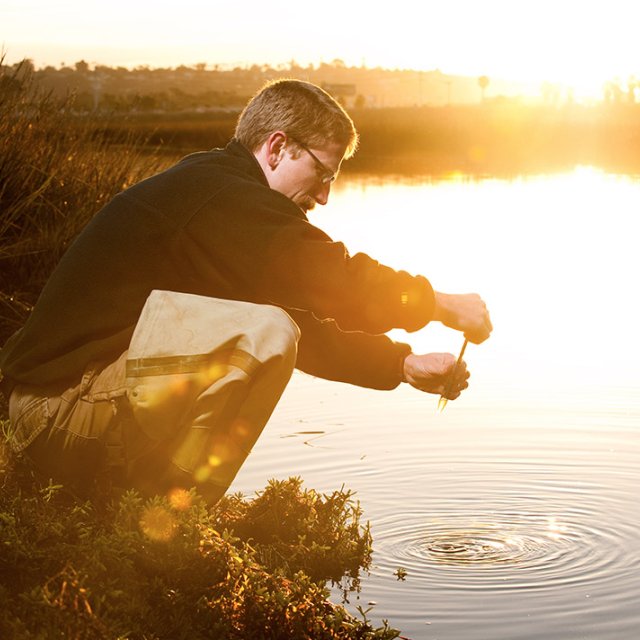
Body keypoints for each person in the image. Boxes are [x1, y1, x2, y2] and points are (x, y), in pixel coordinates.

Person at [0, 79, 492, 504]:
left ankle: (158, 509)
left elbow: (300, 325)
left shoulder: (217, 191)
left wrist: (399, 364)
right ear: (278, 148)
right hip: (53, 412)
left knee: (270, 327)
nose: (324, 196)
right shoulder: (223, 197)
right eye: (322, 173)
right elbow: (335, 281)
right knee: (267, 333)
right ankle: (176, 521)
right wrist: (440, 305)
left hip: (55, 411)